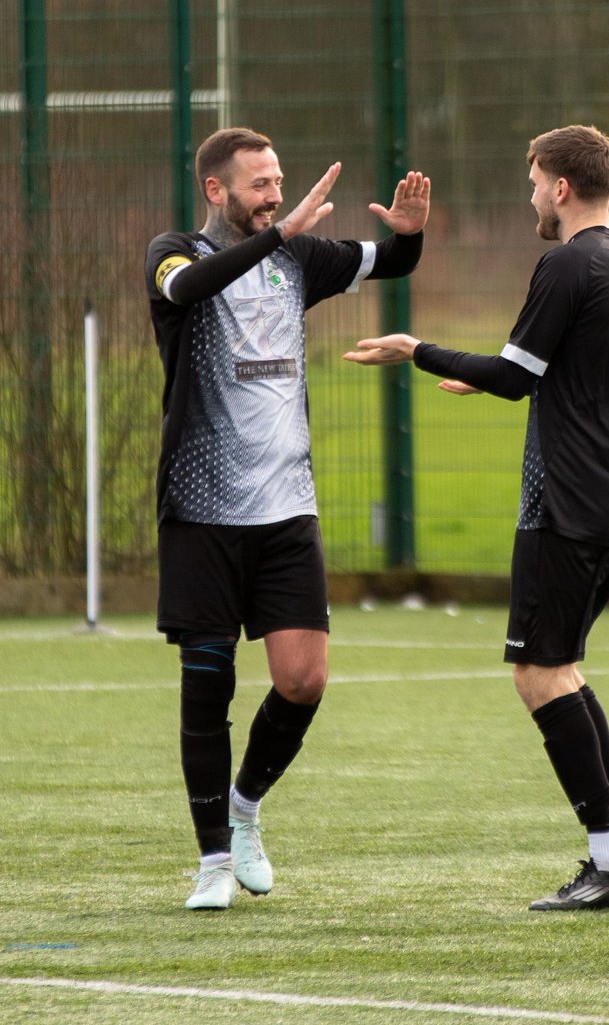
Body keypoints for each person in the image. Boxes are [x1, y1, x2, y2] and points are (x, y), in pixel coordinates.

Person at [344, 124, 609, 911]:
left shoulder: (565, 259)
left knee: (538, 672)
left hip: (564, 496)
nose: (529, 195)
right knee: (561, 667)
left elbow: (516, 375)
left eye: (532, 181)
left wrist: (416, 349)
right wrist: (487, 376)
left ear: (560, 186)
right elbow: (557, 367)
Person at [145, 127, 430, 909]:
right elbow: (183, 291)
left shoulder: (296, 258)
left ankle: (243, 813)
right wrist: (281, 231)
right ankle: (209, 863)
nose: (275, 193)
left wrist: (408, 235)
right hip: (201, 513)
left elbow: (391, 263)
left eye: (279, 180)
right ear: (217, 190)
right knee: (206, 684)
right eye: (259, 184)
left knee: (303, 681)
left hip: (285, 512)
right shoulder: (174, 252)